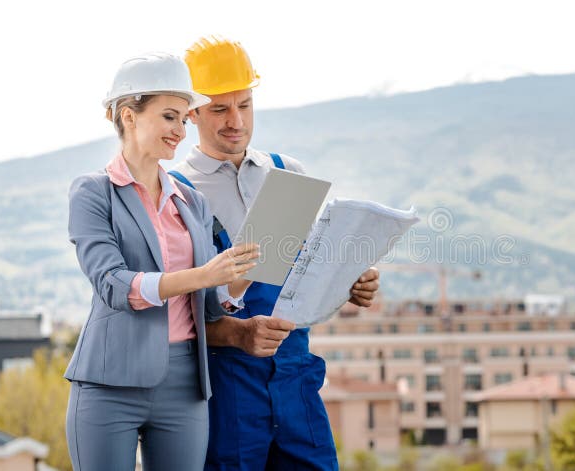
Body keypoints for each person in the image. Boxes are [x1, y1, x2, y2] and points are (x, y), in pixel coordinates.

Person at [170, 36, 381, 470]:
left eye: (244, 105)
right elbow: (171, 313)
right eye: (219, 108)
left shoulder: (289, 174)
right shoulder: (175, 191)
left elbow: (313, 272)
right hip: (227, 388)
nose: (235, 120)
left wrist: (351, 281)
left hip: (295, 376)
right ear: (190, 111)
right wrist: (237, 333)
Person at [64, 52, 275, 471]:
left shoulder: (191, 201)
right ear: (129, 115)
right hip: (110, 383)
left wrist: (241, 275)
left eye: (184, 119)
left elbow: (208, 301)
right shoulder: (92, 193)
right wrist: (203, 273)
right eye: (170, 117)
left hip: (185, 384)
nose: (181, 131)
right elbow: (114, 285)